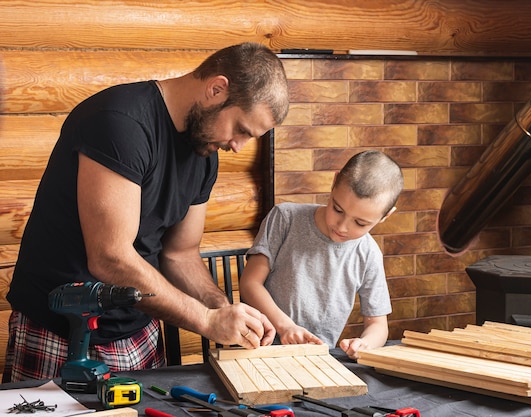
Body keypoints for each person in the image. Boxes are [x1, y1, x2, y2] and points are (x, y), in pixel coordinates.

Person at [3, 42, 289, 382]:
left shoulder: (204, 152)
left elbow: (181, 253)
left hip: (138, 329)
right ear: (217, 88)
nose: (238, 146)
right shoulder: (118, 121)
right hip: (61, 330)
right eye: (241, 129)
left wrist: (221, 307)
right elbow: (110, 258)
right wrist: (206, 321)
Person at [239, 150, 403, 360]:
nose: (342, 227)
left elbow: (378, 325)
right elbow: (250, 283)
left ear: (385, 216)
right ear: (334, 182)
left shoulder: (369, 253)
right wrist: (286, 327)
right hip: (259, 351)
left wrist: (365, 344)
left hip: (319, 360)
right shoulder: (285, 219)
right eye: (337, 209)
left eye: (360, 223)